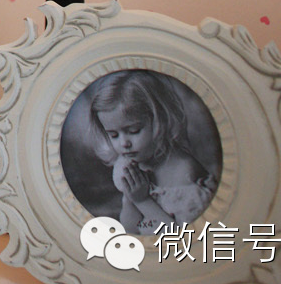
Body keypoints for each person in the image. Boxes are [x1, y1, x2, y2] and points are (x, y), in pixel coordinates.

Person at [87, 70, 216, 235]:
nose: (124, 143)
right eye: (114, 135)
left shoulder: (184, 171)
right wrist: (130, 198)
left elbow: (181, 238)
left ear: (159, 120)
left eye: (133, 131)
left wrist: (142, 200)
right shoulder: (128, 164)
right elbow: (130, 230)